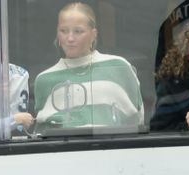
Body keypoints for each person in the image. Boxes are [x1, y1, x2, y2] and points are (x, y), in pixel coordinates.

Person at [34, 2, 144, 133]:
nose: (70, 38)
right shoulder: (44, 80)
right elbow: (42, 132)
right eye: (63, 31)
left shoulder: (119, 66)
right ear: (57, 34)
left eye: (78, 31)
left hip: (114, 149)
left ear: (93, 34)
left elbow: (137, 121)